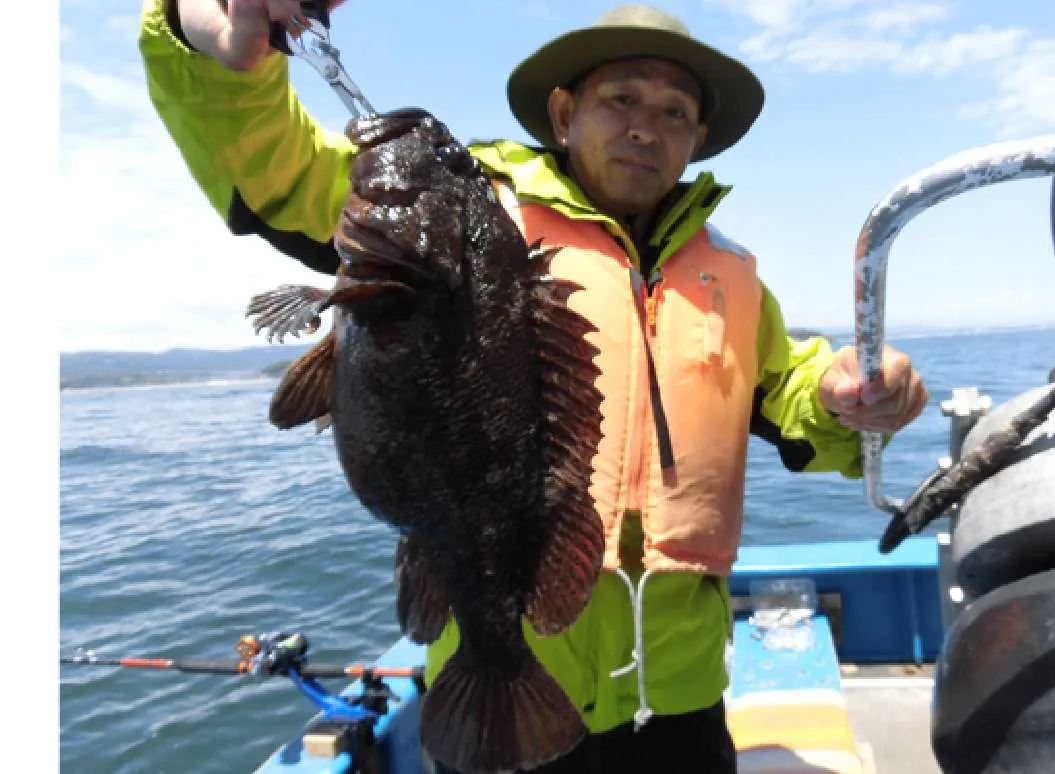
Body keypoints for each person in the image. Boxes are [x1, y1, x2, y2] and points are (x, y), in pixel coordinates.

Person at [139, 1, 930, 771]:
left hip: (684, 691)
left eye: (675, 113)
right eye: (621, 99)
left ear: (696, 140)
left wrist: (848, 392)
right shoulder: (467, 215)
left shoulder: (729, 274)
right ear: (562, 114)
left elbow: (789, 394)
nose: (645, 127)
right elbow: (281, 170)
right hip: (517, 650)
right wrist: (216, 52)